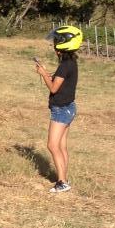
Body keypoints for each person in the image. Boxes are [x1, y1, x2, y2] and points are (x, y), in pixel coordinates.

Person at [35, 24, 82, 194]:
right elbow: (59, 83)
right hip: (69, 108)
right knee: (61, 146)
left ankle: (61, 182)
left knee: (52, 145)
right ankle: (64, 179)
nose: (54, 44)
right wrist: (47, 73)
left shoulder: (64, 65)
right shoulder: (70, 62)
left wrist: (43, 75)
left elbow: (54, 88)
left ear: (62, 45)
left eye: (56, 41)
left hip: (61, 110)